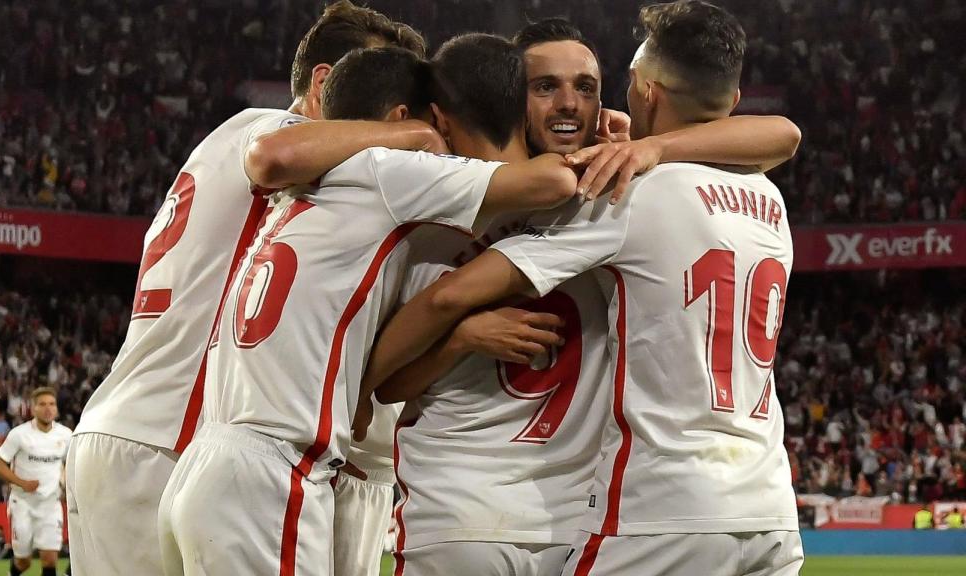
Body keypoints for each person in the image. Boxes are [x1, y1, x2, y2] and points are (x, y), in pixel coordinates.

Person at [360, 2, 804, 575]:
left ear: (621, 100)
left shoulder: (611, 190)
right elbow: (397, 375)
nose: (568, 102)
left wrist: (651, 148)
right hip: (463, 510)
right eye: (544, 86)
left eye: (587, 88)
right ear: (509, 96)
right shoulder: (442, 205)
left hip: (578, 518)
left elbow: (782, 133)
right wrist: (451, 343)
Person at [158, 37, 580, 576]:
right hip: (270, 474)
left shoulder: (309, 188)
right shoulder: (389, 170)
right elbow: (552, 181)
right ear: (408, 117)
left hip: (209, 459)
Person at [63, 2, 437, 574]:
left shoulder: (226, 136)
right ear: (324, 83)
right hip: (171, 437)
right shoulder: (277, 135)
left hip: (125, 431)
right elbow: (277, 160)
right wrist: (417, 136)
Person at [0, 387, 72, 576]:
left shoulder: (66, 435)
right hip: (23, 504)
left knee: (50, 559)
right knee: (23, 562)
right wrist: (22, 483)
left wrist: (65, 482)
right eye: (42, 404)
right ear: (33, 408)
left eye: (52, 404)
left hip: (50, 504)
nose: (48, 408)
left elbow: (71, 463)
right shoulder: (19, 434)